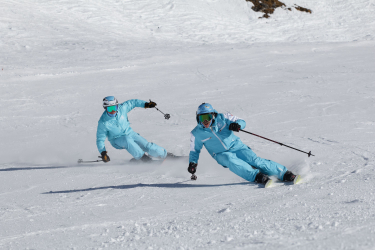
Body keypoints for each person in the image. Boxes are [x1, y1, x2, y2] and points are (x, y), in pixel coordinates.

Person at [188, 103, 297, 187]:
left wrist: (237, 125)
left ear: (213, 115)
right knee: (230, 159)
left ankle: (284, 173)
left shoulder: (224, 118)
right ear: (198, 118)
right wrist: (193, 163)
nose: (205, 121)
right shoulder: (196, 133)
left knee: (255, 161)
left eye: (207, 117)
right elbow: (194, 150)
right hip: (220, 154)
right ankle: (257, 176)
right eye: (202, 118)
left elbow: (241, 121)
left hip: (237, 146)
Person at [96, 96, 168, 163]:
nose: (113, 111)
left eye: (114, 107)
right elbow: (100, 139)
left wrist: (146, 104)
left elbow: (133, 102)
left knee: (146, 145)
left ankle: (165, 155)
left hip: (130, 133)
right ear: (105, 108)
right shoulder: (103, 122)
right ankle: (143, 159)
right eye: (110, 109)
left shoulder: (122, 108)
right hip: (116, 139)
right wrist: (103, 153)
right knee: (127, 140)